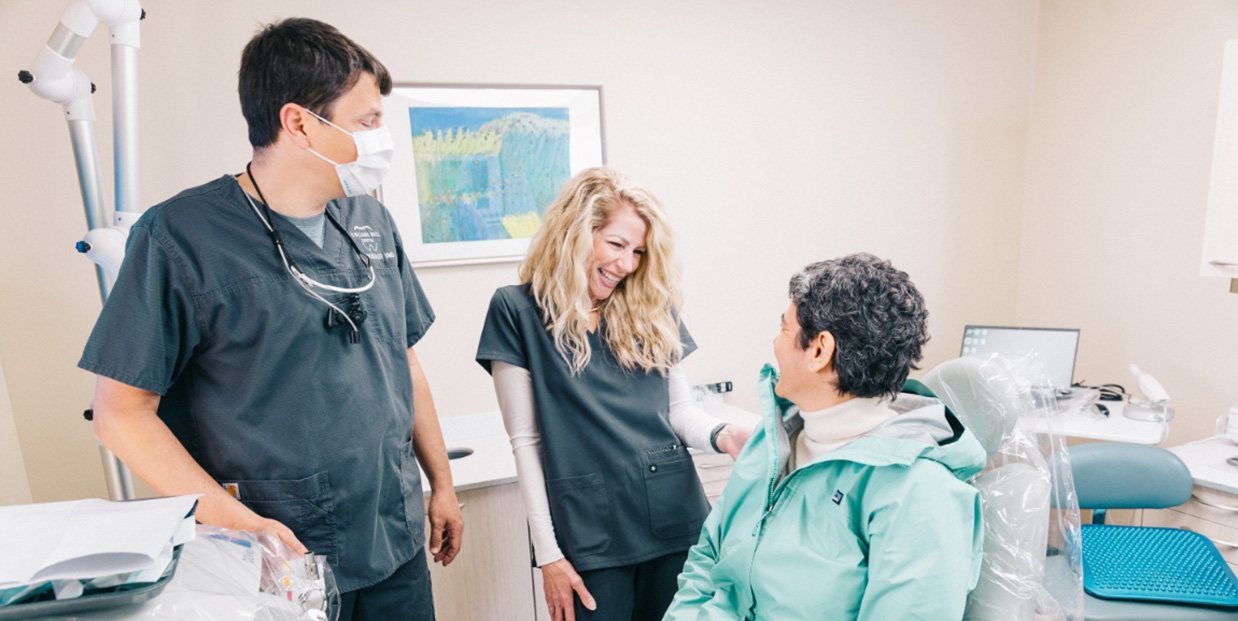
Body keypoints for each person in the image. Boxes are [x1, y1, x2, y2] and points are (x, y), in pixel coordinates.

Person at [78, 18, 462, 620]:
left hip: (394, 537)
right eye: (366, 122)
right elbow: (120, 416)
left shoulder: (369, 220)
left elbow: (401, 358)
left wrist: (440, 483)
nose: (380, 139)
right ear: (299, 123)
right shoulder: (182, 237)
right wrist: (240, 524)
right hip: (275, 552)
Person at [476, 167, 752, 621]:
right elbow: (526, 442)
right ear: (576, 234)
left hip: (675, 516)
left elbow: (680, 411)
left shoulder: (650, 306)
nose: (626, 264)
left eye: (638, 252)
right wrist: (548, 555)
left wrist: (724, 436)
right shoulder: (516, 311)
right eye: (616, 245)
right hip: (589, 533)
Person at [664, 253, 986, 621]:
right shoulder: (770, 445)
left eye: (784, 329)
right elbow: (708, 559)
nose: (775, 343)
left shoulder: (917, 494)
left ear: (819, 350)